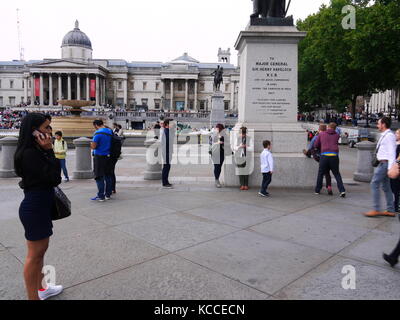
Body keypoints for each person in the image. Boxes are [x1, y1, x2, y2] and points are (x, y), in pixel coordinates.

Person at [14, 113, 63, 300]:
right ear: (33, 131)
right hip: (34, 208)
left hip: (39, 207)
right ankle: (33, 297)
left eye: (49, 127)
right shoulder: (30, 154)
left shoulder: (34, 151)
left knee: (40, 252)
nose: (49, 132)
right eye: (45, 128)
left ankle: (43, 288)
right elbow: (54, 178)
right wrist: (50, 150)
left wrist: (46, 150)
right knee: (34, 257)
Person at [364, 117, 397, 217]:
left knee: (374, 183)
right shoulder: (385, 135)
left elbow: (392, 153)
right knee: (386, 187)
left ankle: (376, 209)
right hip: (383, 163)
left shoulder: (389, 136)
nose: (377, 125)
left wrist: (390, 168)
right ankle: (390, 210)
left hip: (385, 164)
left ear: (383, 124)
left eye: (378, 123)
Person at [314, 122, 346, 197]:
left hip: (324, 156)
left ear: (328, 127)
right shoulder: (337, 135)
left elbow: (316, 145)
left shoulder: (321, 134)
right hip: (334, 156)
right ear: (335, 128)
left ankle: (317, 190)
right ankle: (342, 190)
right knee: (337, 174)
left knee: (321, 173)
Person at [304, 124, 333, 195]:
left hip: (319, 156)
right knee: (327, 173)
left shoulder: (317, 136)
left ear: (319, 129)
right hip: (328, 156)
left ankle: (318, 189)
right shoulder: (328, 136)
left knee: (321, 173)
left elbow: (311, 146)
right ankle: (329, 186)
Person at [91, 119, 113, 201]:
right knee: (108, 175)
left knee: (99, 176)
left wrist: (91, 144)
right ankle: (108, 194)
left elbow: (93, 146)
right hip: (108, 156)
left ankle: (101, 195)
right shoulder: (109, 131)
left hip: (99, 156)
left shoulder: (98, 133)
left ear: (96, 125)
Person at [210, 124, 227, 188]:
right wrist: (218, 142)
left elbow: (227, 143)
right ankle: (216, 180)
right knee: (216, 166)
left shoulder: (224, 135)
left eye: (218, 129)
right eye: (216, 128)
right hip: (215, 153)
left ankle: (217, 178)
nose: (217, 129)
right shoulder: (213, 135)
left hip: (222, 152)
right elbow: (210, 143)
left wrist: (223, 143)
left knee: (219, 167)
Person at [160, 119, 175, 188]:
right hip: (166, 152)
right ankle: (164, 182)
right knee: (166, 167)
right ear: (167, 124)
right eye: (172, 123)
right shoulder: (166, 132)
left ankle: (166, 181)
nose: (173, 124)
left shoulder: (168, 131)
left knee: (167, 167)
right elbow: (165, 143)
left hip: (168, 152)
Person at [390, 129, 400, 213]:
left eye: (397, 133)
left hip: (397, 168)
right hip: (393, 167)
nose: (395, 135)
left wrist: (396, 163)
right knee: (393, 187)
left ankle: (396, 205)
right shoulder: (395, 144)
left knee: (396, 188)